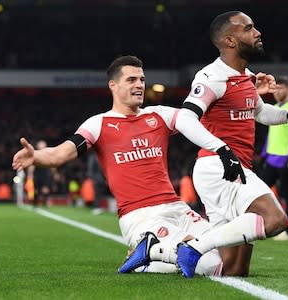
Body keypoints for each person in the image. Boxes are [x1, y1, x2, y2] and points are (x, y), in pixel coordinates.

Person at [12, 55, 228, 277]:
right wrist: (35, 156)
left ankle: (150, 255)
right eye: (131, 80)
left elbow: (195, 117)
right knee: (209, 265)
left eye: (142, 80)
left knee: (226, 257)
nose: (139, 85)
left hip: (177, 208)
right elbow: (59, 154)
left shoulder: (159, 115)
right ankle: (148, 258)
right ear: (113, 85)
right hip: (141, 216)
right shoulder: (99, 124)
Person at [174, 11, 288, 277]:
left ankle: (157, 258)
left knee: (234, 270)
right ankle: (193, 247)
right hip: (220, 167)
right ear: (229, 40)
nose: (257, 32)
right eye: (248, 28)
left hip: (229, 167)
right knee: (276, 220)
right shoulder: (212, 77)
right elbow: (185, 119)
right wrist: (222, 149)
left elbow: (260, 112)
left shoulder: (245, 76)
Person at [260, 75, 288, 238]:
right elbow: (271, 132)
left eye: (279, 89)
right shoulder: (273, 107)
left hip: (286, 158)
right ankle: (266, 222)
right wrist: (264, 152)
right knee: (261, 190)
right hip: (272, 158)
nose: (276, 93)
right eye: (274, 90)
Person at [32, 140, 52, 208]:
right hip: (37, 174)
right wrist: (30, 174)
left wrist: (55, 173)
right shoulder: (35, 154)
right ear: (37, 146)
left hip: (45, 173)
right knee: (36, 191)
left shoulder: (48, 154)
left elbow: (53, 163)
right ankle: (35, 204)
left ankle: (45, 203)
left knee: (45, 190)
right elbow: (32, 165)